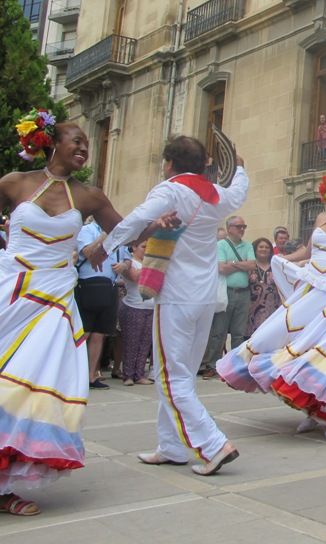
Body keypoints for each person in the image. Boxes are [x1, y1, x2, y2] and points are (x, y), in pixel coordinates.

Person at [89, 135, 248, 476]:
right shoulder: (216, 194)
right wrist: (239, 167)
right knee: (182, 375)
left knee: (168, 377)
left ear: (170, 164)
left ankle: (214, 444)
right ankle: (172, 447)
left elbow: (134, 220)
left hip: (176, 295)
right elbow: (240, 189)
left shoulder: (171, 189)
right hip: (204, 297)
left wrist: (107, 245)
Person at [0, 118, 128, 515]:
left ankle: (5, 484)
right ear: (50, 142)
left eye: (87, 142)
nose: (84, 147)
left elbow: (125, 231)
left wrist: (160, 225)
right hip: (10, 293)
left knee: (32, 386)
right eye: (77, 139)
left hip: (55, 303)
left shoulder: (89, 196)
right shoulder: (15, 182)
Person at [218, 173, 326, 443]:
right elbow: (309, 252)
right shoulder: (322, 219)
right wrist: (282, 259)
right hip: (315, 290)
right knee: (294, 340)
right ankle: (312, 412)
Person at [75, 217, 127, 388]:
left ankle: (91, 376)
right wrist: (105, 235)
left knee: (100, 334)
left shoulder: (119, 233)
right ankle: (74, 374)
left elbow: (127, 257)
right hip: (88, 284)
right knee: (84, 333)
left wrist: (124, 266)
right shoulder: (87, 230)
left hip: (109, 286)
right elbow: (88, 252)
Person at [201, 215, 256, 377]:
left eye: (244, 226)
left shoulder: (247, 245)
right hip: (226, 293)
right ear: (230, 228)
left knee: (239, 332)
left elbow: (252, 265)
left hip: (243, 293)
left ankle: (235, 365)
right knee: (219, 331)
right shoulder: (221, 245)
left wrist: (232, 263)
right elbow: (221, 268)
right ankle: (213, 365)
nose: (242, 229)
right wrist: (242, 265)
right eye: (239, 226)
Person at [117, 241, 155, 386]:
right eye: (143, 246)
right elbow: (135, 277)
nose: (146, 250)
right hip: (133, 306)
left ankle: (139, 374)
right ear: (134, 247)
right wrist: (151, 263)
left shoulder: (149, 263)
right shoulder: (129, 262)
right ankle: (128, 375)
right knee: (131, 342)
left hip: (150, 306)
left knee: (145, 343)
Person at [246, 237, 280, 337]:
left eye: (267, 247)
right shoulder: (249, 265)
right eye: (261, 247)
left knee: (269, 336)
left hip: (272, 308)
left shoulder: (276, 266)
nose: (264, 249)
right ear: (255, 250)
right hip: (252, 309)